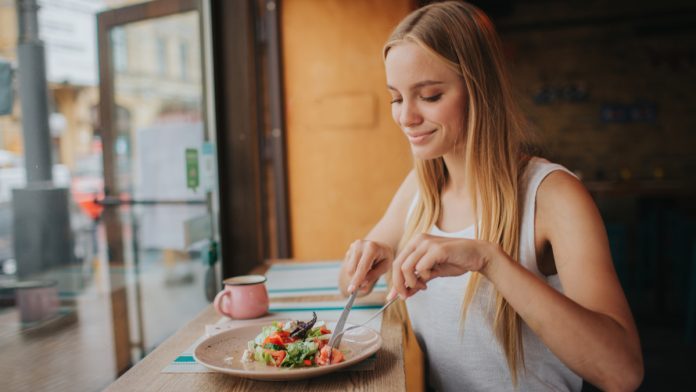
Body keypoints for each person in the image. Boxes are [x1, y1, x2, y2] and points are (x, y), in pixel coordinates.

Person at [338, 1, 643, 391]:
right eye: (396, 98)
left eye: (429, 96)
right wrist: (362, 262)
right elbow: (348, 283)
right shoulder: (420, 187)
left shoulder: (553, 195)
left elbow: (623, 372)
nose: (406, 117)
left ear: (480, 90)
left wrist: (489, 260)